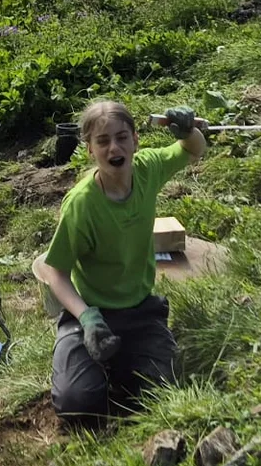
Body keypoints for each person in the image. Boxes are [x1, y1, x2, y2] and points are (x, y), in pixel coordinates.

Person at [33, 100, 208, 425]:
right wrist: (86, 317)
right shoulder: (82, 205)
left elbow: (192, 150)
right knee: (77, 405)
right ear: (90, 150)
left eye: (122, 137)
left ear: (135, 141)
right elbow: (55, 272)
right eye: (103, 141)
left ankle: (122, 363)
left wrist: (188, 131)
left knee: (163, 388)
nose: (114, 147)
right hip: (87, 314)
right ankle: (83, 360)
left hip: (140, 311)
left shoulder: (147, 170)